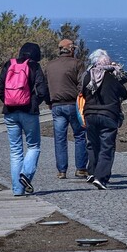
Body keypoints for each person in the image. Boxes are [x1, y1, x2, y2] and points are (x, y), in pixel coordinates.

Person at [0, 42, 50, 196]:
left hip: (10, 112)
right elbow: (42, 90)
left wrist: (9, 101)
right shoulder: (35, 67)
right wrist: (34, 103)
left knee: (15, 151)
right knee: (33, 146)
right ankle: (25, 175)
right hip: (29, 112)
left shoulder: (9, 64)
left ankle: (18, 190)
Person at [78, 49, 127, 190]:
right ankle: (101, 177)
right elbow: (124, 93)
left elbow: (82, 92)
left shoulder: (88, 77)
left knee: (93, 145)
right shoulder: (112, 78)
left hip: (90, 115)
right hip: (108, 115)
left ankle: (92, 172)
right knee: (107, 147)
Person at [44, 38, 87, 179]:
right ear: (71, 49)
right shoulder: (77, 63)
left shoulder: (50, 65)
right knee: (80, 136)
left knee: (60, 138)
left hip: (56, 105)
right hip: (73, 104)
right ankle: (80, 168)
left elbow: (45, 86)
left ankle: (62, 171)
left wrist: (48, 101)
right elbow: (83, 84)